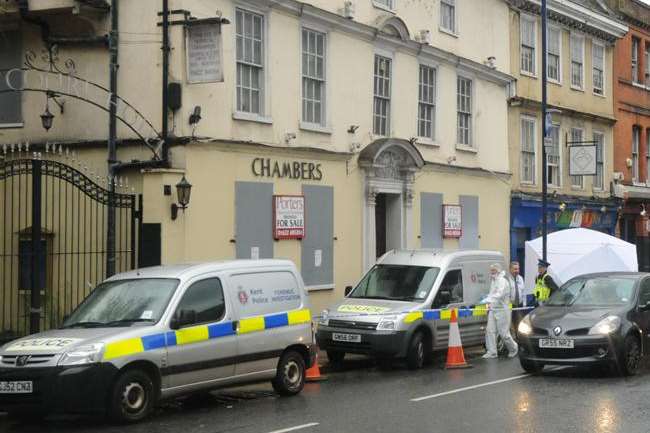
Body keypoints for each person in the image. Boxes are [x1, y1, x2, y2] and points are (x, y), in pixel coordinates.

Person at [482, 263, 518, 359]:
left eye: (493, 271)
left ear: (498, 271)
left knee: (504, 334)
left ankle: (514, 348)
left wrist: (487, 300)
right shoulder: (493, 281)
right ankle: (492, 352)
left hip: (502, 310)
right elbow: (491, 294)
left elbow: (499, 295)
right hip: (494, 309)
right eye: (491, 271)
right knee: (490, 330)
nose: (491, 273)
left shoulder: (502, 281)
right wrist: (487, 302)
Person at [509, 261, 525, 329]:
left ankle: (518, 338)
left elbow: (523, 292)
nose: (517, 271)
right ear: (510, 269)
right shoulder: (506, 279)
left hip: (519, 305)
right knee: (510, 325)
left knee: (519, 325)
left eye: (518, 269)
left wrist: (524, 304)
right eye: (515, 269)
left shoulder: (520, 278)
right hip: (510, 306)